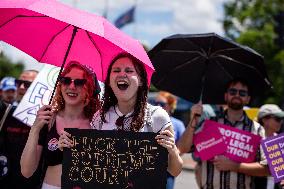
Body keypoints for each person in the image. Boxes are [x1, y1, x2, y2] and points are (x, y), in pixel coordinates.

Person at [89, 53, 183, 180]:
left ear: (141, 81)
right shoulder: (99, 118)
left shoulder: (157, 116)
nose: (122, 74)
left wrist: (172, 151)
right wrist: (69, 148)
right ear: (110, 82)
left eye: (129, 70)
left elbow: (174, 171)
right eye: (116, 70)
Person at [20, 61, 101, 189]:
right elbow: (26, 171)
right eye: (66, 80)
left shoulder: (98, 124)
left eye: (79, 82)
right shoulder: (48, 119)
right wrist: (35, 129)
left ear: (90, 88)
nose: (72, 86)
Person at [178, 78, 270, 189]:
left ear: (248, 99)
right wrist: (193, 120)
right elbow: (182, 149)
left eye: (242, 93)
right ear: (226, 96)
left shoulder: (257, 129)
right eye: (232, 91)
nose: (237, 95)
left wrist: (234, 166)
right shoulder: (209, 125)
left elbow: (267, 169)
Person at [0, 71, 39, 189]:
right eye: (19, 83)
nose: (21, 87)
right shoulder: (6, 111)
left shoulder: (47, 119)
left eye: (27, 84)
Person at [153, 91, 185, 189]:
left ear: (171, 106)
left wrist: (172, 152)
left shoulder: (178, 124)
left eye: (162, 104)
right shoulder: (148, 120)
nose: (158, 106)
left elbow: (182, 148)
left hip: (167, 170)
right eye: (156, 103)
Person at [254, 104, 284, 189]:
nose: (281, 122)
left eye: (281, 119)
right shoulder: (254, 140)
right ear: (264, 120)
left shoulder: (281, 141)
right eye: (278, 119)